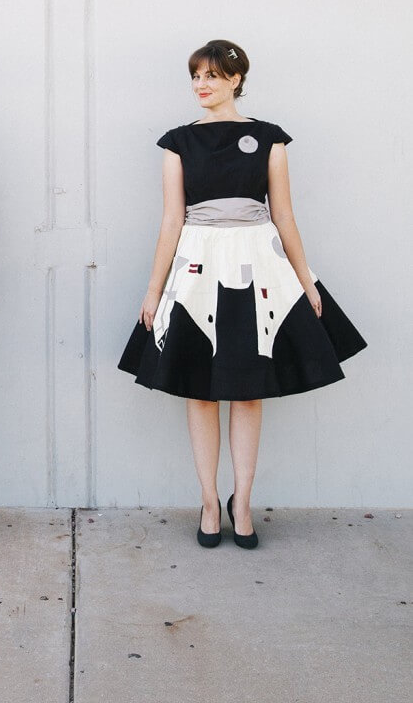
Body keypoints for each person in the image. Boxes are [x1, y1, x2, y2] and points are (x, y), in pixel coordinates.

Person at [118, 39, 366, 549]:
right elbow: (171, 219)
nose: (201, 86)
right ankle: (210, 501)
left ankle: (243, 501)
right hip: (198, 262)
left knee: (250, 390)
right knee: (200, 389)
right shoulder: (177, 142)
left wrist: (305, 279)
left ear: (235, 79)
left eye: (211, 76)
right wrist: (153, 290)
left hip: (259, 262)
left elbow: (284, 215)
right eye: (195, 77)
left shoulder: (270, 139)